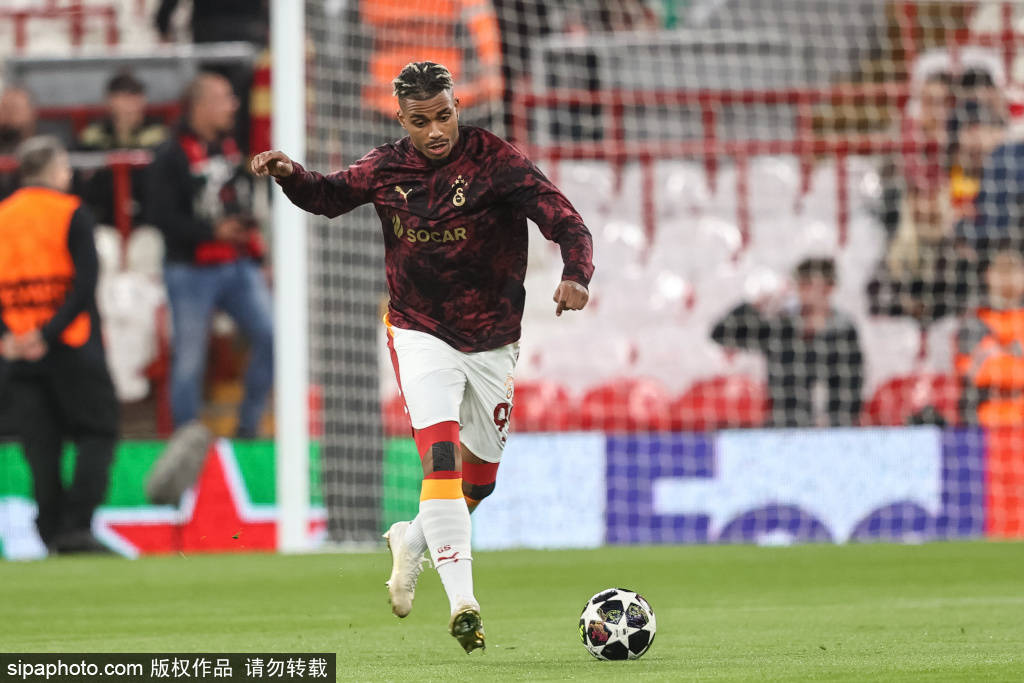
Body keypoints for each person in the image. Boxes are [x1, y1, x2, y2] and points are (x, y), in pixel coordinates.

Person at [251, 61, 593, 653]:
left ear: (457, 107)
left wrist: (576, 275)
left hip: (492, 341)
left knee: (479, 484)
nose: (435, 131)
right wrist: (290, 174)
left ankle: (411, 541)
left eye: (442, 116)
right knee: (441, 464)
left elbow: (567, 222)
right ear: (401, 120)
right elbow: (328, 196)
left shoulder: (496, 161)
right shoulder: (386, 167)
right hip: (419, 331)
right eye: (420, 121)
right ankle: (464, 604)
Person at [0, 136, 119, 554]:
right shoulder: (70, 211)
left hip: (16, 350)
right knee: (99, 430)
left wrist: (11, 336)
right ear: (52, 170)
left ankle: (50, 529)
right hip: (71, 344)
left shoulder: (3, 215)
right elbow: (84, 283)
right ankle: (75, 526)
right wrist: (47, 334)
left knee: (42, 444)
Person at [146, 72, 272, 440]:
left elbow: (240, 202)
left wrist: (255, 252)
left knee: (273, 338)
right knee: (189, 358)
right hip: (189, 269)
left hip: (237, 263)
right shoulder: (169, 154)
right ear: (201, 106)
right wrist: (211, 232)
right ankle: (187, 439)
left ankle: (248, 427)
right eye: (225, 99)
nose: (234, 106)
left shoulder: (229, 147)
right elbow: (160, 216)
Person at [710, 257, 864, 428]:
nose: (802, 290)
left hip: (832, 431)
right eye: (800, 284)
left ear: (829, 287)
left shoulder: (844, 333)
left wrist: (833, 423)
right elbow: (720, 333)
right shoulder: (781, 328)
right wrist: (758, 304)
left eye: (808, 284)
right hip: (782, 428)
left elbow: (852, 387)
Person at [867, 178, 976, 325]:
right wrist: (905, 304)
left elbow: (965, 307)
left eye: (931, 198)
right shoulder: (892, 253)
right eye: (918, 197)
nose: (925, 207)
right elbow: (876, 301)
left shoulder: (960, 255)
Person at [78, 71, 168, 227]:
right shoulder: (93, 137)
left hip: (148, 219)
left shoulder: (159, 136)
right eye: (124, 98)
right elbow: (85, 183)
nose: (130, 106)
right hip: (104, 218)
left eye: (135, 98)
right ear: (110, 101)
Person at [956, 249, 1024, 427]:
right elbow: (974, 374)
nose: (1008, 277)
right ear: (988, 275)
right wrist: (1014, 358)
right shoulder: (974, 321)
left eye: (1014, 270)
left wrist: (999, 354)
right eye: (1002, 270)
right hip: (986, 423)